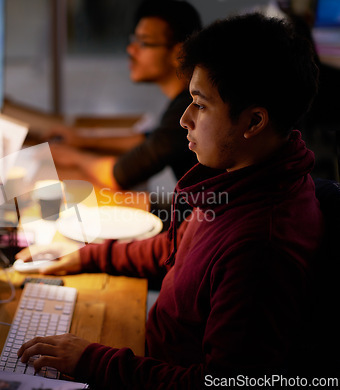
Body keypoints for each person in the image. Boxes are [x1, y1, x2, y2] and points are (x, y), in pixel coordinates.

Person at [16, 13, 324, 389]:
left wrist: (91, 360)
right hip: (149, 349)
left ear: (254, 122)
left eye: (200, 104)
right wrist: (86, 256)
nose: (184, 119)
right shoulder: (242, 176)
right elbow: (179, 249)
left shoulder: (261, 245)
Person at [49, 0, 201, 192]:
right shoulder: (186, 99)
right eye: (133, 40)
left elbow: (120, 175)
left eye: (143, 42)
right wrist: (84, 139)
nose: (131, 50)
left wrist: (72, 157)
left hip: (203, 217)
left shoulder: (189, 107)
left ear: (179, 53)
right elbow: (151, 139)